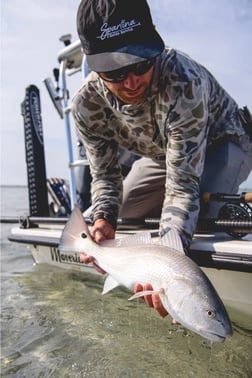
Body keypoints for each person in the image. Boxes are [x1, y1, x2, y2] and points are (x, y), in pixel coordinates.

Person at [72, 0, 252, 318]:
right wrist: (102, 219)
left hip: (224, 143)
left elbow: (182, 186)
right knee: (125, 219)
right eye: (115, 71)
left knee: (201, 221)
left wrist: (171, 272)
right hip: (160, 153)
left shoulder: (186, 82)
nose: (131, 81)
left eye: (141, 63)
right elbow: (104, 176)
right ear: (93, 64)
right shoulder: (86, 105)